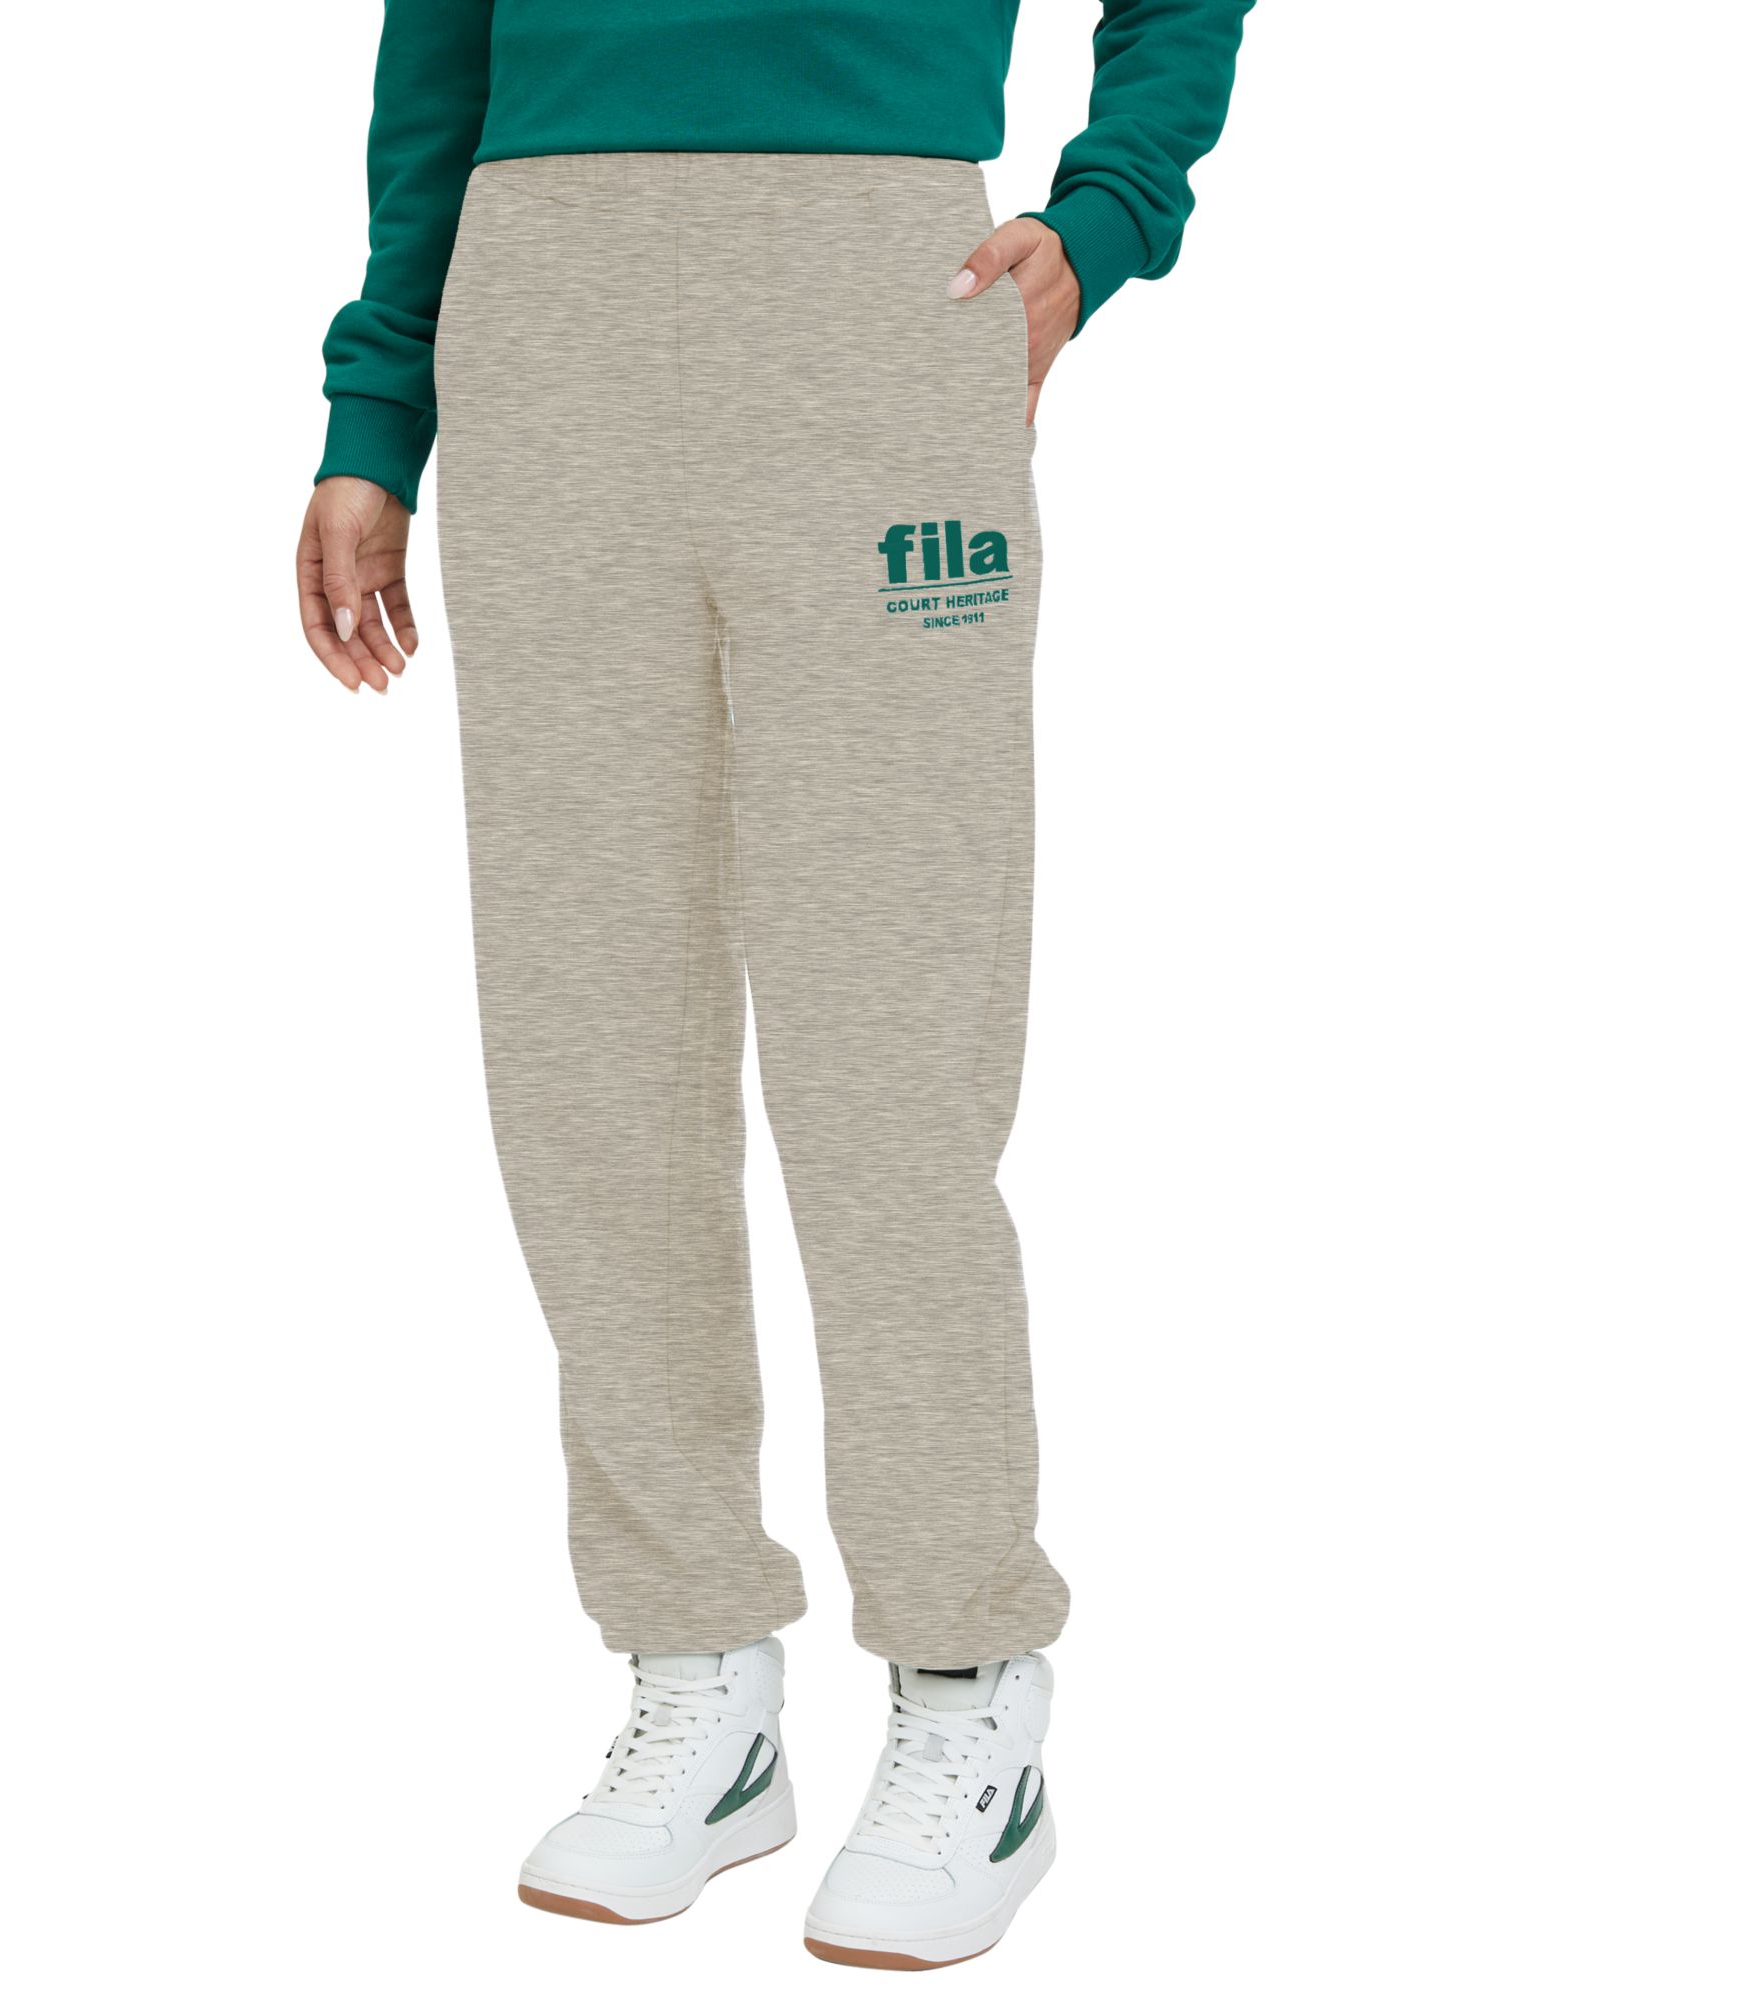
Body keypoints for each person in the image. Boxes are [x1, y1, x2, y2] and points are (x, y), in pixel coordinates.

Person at [298, 0, 1249, 1969]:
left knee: (888, 1045)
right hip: (542, 317)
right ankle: (696, 1668)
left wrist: (1108, 211)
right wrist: (377, 410)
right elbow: (437, 45)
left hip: (877, 296)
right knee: (588, 1041)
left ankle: (968, 1680)